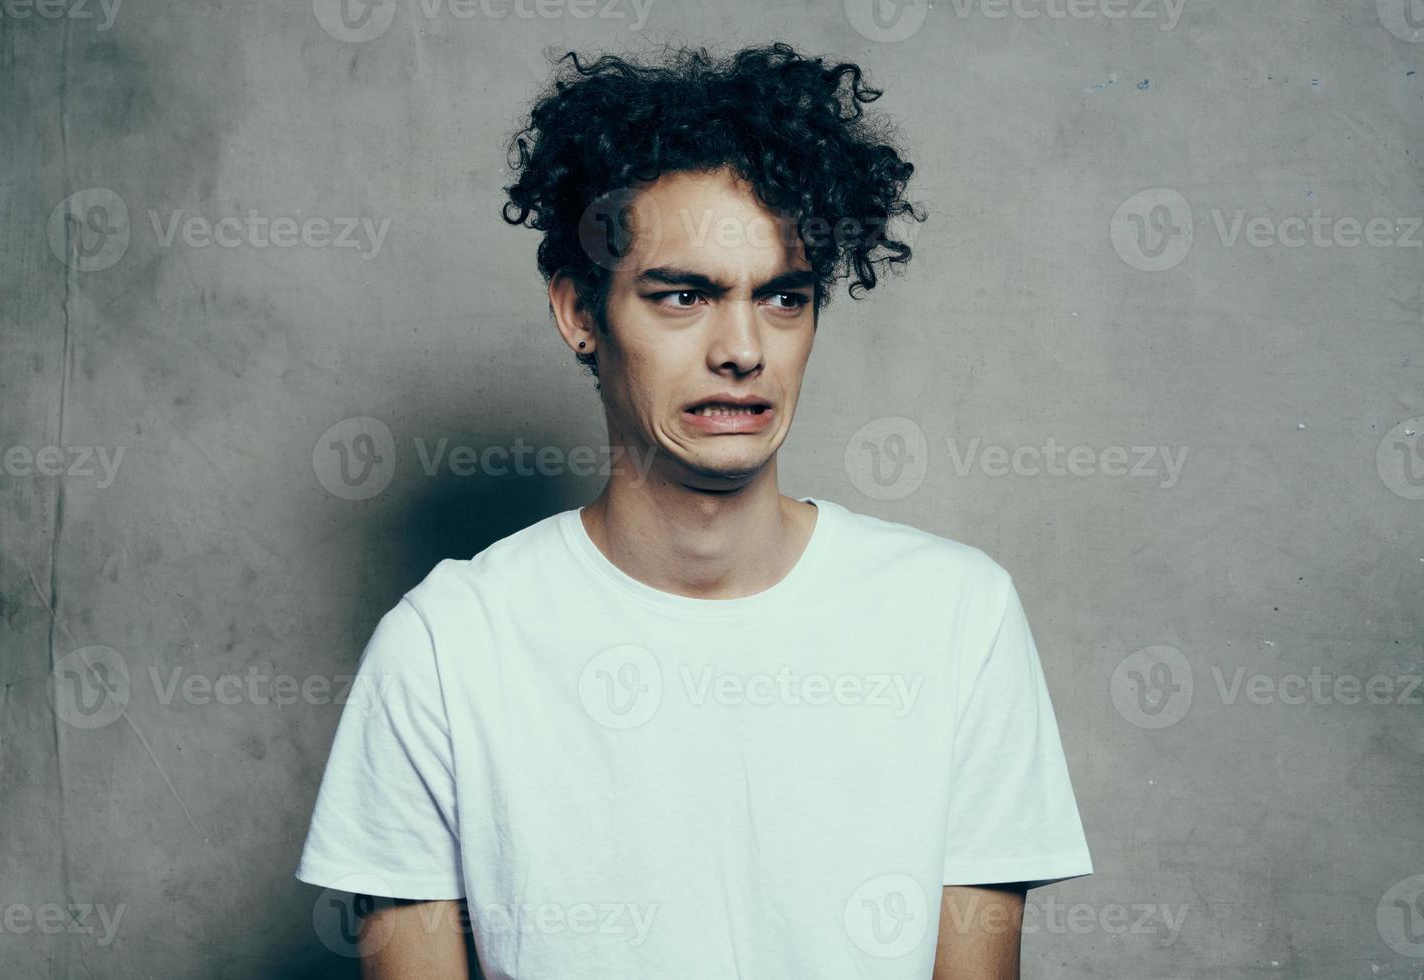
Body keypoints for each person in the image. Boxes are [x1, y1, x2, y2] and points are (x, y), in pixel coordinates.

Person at [295, 41, 1093, 979]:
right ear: (579, 312)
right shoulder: (447, 646)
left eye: (783, 298)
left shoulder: (956, 615)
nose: (743, 349)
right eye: (684, 296)